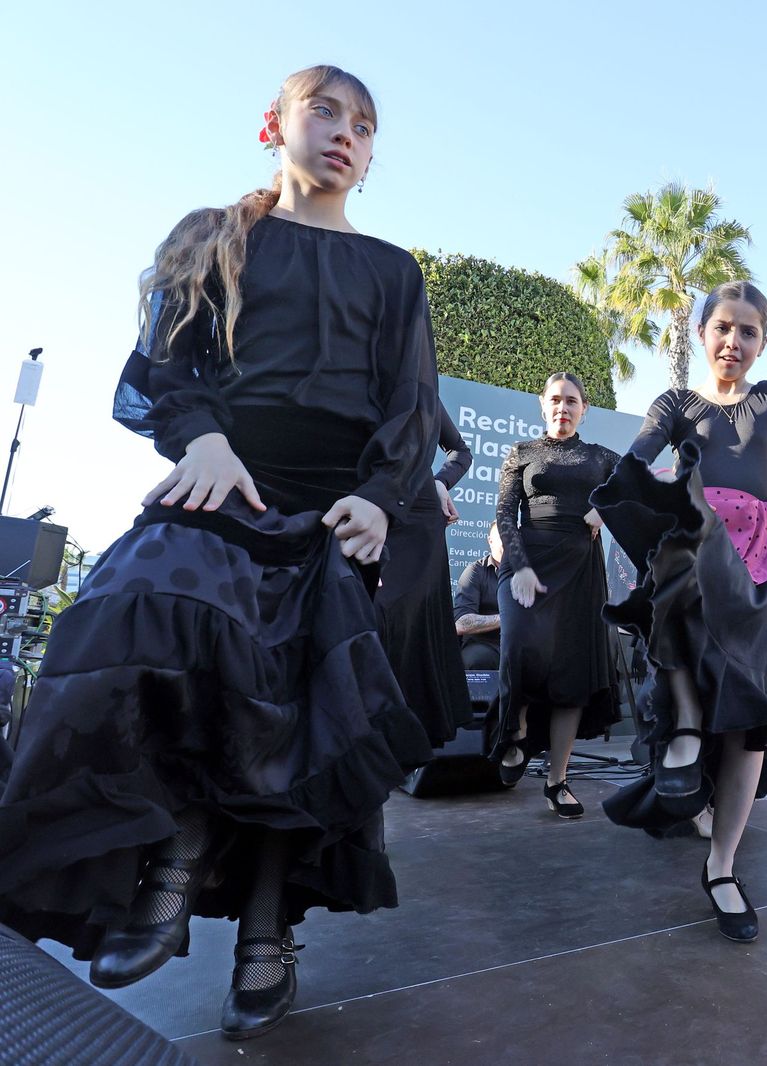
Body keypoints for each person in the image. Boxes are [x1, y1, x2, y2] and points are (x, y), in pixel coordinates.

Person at [0, 66, 436, 1040]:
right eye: (327, 111)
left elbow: (411, 407)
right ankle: (168, 860)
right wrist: (199, 438)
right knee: (132, 604)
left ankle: (268, 934)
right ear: (272, 124)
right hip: (223, 481)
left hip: (336, 510)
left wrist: (375, 499)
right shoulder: (214, 234)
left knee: (305, 706)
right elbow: (164, 367)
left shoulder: (394, 271)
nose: (345, 134)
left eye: (364, 126)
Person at [592, 281, 767, 942]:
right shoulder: (678, 403)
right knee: (693, 670)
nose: (733, 342)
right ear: (702, 332)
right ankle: (685, 734)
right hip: (693, 564)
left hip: (758, 570)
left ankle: (722, 865)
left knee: (750, 717)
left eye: (748, 332)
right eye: (723, 327)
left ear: (763, 342)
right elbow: (637, 458)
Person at [490, 373, 621, 817]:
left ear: (584, 409)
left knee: (571, 673)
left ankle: (557, 780)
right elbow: (505, 513)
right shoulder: (522, 453)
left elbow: (637, 485)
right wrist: (520, 566)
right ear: (542, 405)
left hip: (579, 569)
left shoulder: (601, 457)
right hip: (527, 560)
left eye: (572, 401)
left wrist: (605, 507)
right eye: (555, 400)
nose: (563, 407)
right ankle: (516, 729)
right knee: (521, 646)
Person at [375, 403, 475, 747]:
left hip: (419, 516)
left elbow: (461, 451)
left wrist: (440, 482)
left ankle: (398, 744)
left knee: (407, 629)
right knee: (365, 619)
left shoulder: (423, 388)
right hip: (366, 504)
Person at [454, 524, 504, 672]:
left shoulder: (529, 572)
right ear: (490, 541)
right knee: (476, 660)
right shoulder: (475, 571)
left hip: (521, 645)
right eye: (503, 536)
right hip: (485, 644)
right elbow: (461, 623)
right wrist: (507, 618)